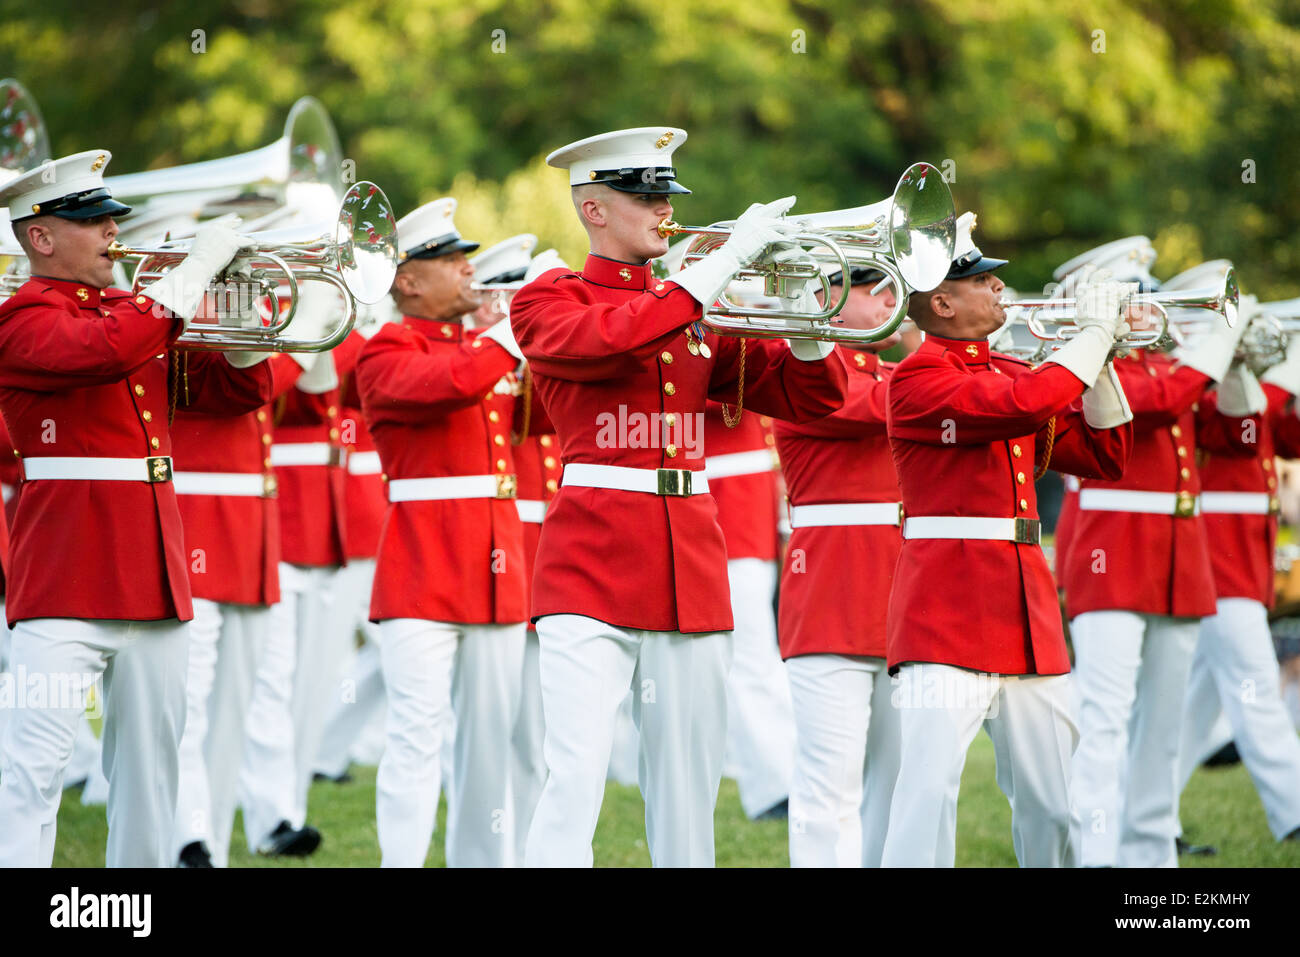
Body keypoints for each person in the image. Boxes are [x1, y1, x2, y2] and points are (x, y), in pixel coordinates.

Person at [509, 126, 848, 867]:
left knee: (688, 785)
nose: (663, 211)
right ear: (594, 209)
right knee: (572, 776)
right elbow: (609, 341)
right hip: (587, 561)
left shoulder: (693, 314)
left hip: (689, 558)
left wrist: (807, 317)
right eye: (644, 195)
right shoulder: (550, 298)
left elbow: (810, 400)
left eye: (667, 195)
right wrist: (721, 265)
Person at [0, 150, 273, 866]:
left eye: (111, 218)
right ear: (41, 236)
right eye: (91, 222)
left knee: (152, 777)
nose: (111, 233)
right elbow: (102, 352)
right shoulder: (21, 320)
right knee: (29, 772)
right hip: (64, 577)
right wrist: (190, 273)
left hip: (152, 575)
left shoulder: (132, 314)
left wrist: (242, 320)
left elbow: (234, 394)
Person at [881, 212, 1134, 868]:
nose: (1000, 289)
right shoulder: (916, 378)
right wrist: (1093, 334)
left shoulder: (1007, 371)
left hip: (1026, 610)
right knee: (926, 793)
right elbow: (1020, 406)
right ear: (942, 301)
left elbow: (1105, 456)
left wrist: (1099, 358)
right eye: (983, 281)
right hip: (945, 607)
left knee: (1054, 801)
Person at [1057, 239, 1257, 868]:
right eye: (1133, 300)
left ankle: (1148, 859)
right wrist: (1222, 335)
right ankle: (1094, 854)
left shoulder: (1167, 367)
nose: (1146, 312)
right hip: (1111, 558)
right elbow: (1164, 400)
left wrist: (1244, 362)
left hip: (1177, 560)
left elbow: (1241, 436)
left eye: (1148, 298)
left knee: (1162, 728)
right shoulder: (1089, 367)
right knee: (1106, 716)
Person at [356, 197, 529, 867]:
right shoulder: (386, 350)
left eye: (464, 260)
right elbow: (450, 383)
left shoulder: (480, 348)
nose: (467, 271)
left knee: (491, 738)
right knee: (415, 734)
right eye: (451, 262)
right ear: (407, 280)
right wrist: (511, 333)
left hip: (496, 561)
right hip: (421, 567)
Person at [774, 263, 903, 866]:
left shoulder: (899, 375)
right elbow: (883, 407)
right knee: (831, 781)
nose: (890, 302)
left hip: (906, 596)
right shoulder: (804, 377)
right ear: (824, 296)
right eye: (872, 289)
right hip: (831, 594)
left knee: (904, 780)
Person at [1172, 269, 1300, 847]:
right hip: (1217, 551)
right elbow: (1247, 422)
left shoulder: (1241, 378)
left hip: (1243, 548)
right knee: (1255, 687)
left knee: (1191, 709)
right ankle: (1294, 812)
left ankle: (1143, 814)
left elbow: (1288, 437)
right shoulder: (1199, 382)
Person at [703, 400, 794, 821]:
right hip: (725, 506)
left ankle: (774, 773)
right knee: (751, 657)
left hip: (753, 509)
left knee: (757, 654)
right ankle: (773, 784)